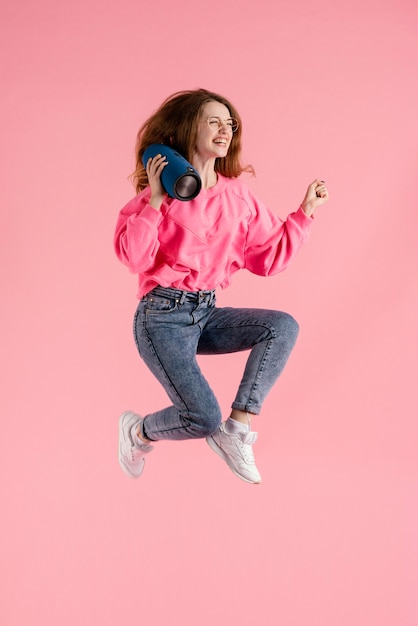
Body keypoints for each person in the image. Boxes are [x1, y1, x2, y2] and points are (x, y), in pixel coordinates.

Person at [114, 88, 329, 484]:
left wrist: (305, 214)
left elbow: (266, 259)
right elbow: (134, 259)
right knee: (201, 417)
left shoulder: (238, 196)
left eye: (229, 123)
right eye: (212, 120)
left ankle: (237, 430)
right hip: (160, 318)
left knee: (282, 326)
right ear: (187, 128)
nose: (224, 129)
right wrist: (157, 200)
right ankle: (138, 431)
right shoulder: (156, 196)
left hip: (206, 312)